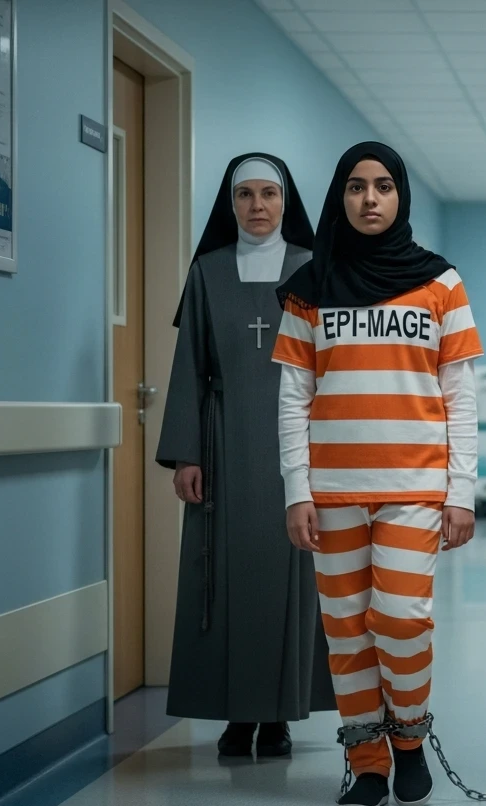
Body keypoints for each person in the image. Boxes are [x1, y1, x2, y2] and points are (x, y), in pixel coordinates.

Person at [271, 142, 482, 806]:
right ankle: (365, 760)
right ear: (340, 196)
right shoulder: (310, 284)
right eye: (357, 187)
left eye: (384, 186)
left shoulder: (440, 281)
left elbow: (461, 395)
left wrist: (462, 492)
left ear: (401, 198)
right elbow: (293, 397)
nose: (369, 199)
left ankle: (410, 741)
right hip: (332, 489)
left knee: (399, 618)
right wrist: (296, 489)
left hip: (414, 485)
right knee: (345, 629)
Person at [156, 153, 334, 759]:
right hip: (225, 444)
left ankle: (280, 715)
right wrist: (186, 453)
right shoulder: (206, 272)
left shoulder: (313, 268)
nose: (258, 206)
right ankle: (236, 717)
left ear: (287, 202)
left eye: (269, 194)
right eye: (245, 196)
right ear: (229, 204)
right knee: (225, 580)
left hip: (301, 448)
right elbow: (190, 368)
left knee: (294, 579)